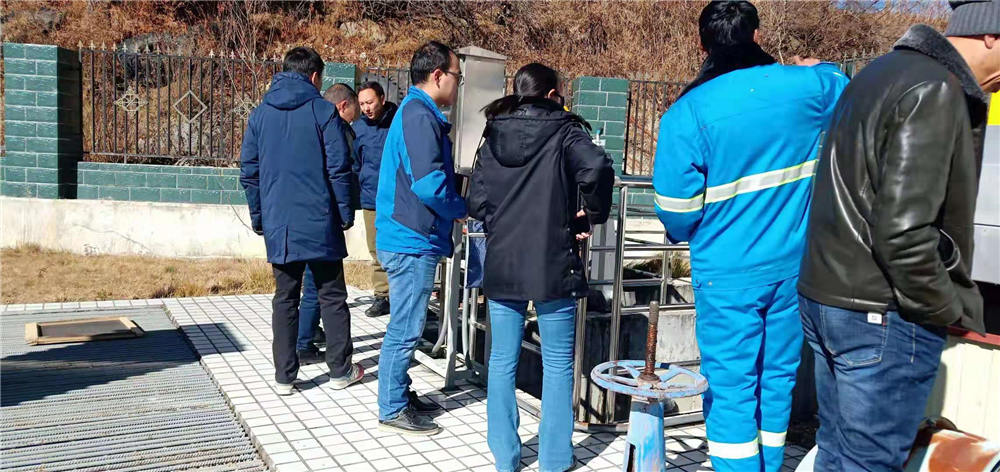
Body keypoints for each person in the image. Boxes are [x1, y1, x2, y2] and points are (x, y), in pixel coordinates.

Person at [797, 1, 997, 468]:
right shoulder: (935, 88)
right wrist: (943, 307)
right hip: (881, 313)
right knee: (868, 461)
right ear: (991, 33)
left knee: (837, 452)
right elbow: (904, 233)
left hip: (830, 299)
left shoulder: (880, 72)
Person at [651, 2, 848, 470]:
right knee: (777, 378)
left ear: (702, 44)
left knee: (731, 387)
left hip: (727, 272)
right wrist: (820, 67)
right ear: (756, 35)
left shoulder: (688, 112)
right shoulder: (808, 87)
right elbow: (847, 93)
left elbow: (676, 213)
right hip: (794, 266)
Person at [467, 63, 614, 472]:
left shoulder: (493, 133)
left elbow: (476, 201)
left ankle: (506, 458)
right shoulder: (566, 131)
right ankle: (554, 459)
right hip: (553, 260)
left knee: (501, 361)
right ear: (551, 95)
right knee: (558, 364)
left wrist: (499, 218)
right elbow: (598, 167)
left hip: (503, 259)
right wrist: (590, 213)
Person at [239, 47, 364, 395]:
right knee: (331, 295)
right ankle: (340, 371)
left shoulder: (260, 116)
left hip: (280, 223)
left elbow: (250, 173)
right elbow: (339, 168)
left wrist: (260, 217)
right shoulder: (323, 112)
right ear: (314, 76)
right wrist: (344, 214)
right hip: (321, 220)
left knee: (285, 298)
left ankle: (285, 376)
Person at [375, 41, 466, 435]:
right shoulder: (418, 115)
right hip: (410, 238)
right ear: (438, 75)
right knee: (407, 326)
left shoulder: (417, 112)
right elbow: (429, 183)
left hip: (409, 235)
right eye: (457, 76)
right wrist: (460, 207)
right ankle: (393, 406)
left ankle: (399, 392)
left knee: (407, 322)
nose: (459, 84)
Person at [296, 82, 362, 365]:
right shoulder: (335, 128)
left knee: (311, 281)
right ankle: (304, 343)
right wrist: (346, 213)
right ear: (343, 105)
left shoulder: (306, 124)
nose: (355, 119)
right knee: (320, 285)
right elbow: (342, 172)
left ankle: (308, 331)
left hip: (304, 213)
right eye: (354, 111)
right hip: (326, 215)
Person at [353, 81, 399, 318]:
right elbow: (354, 163)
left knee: (401, 249)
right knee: (377, 249)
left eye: (370, 102)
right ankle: (382, 295)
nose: (366, 108)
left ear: (382, 98)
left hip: (399, 199)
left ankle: (401, 295)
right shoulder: (358, 128)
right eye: (362, 104)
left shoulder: (399, 121)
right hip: (371, 199)